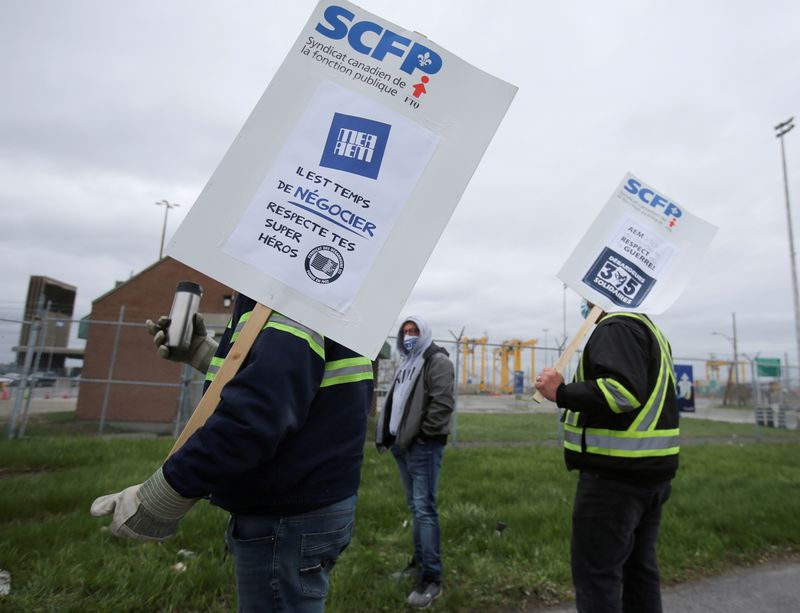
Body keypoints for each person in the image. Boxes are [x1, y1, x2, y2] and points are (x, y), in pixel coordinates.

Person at [90, 293, 374, 612]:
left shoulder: (294, 288)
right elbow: (282, 377)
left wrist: (162, 496)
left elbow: (256, 416)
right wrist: (202, 352)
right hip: (309, 500)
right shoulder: (323, 289)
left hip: (286, 512)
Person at [535, 300, 679, 613]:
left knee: (597, 578)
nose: (584, 303)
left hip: (614, 481)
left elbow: (621, 392)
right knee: (639, 572)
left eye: (587, 296)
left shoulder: (615, 327)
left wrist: (561, 393)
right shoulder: (648, 329)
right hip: (648, 474)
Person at [376, 315, 455, 608]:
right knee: (416, 508)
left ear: (425, 334)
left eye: (414, 330)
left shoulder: (437, 361)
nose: (409, 335)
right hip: (402, 445)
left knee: (424, 510)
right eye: (405, 331)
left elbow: (443, 403)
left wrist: (423, 436)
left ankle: (432, 578)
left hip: (422, 447)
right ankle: (418, 564)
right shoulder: (407, 362)